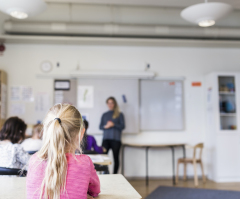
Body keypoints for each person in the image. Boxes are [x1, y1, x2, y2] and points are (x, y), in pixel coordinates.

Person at [27, 104, 100, 199]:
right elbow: (95, 191)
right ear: (81, 134)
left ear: (46, 131)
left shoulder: (34, 160)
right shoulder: (85, 162)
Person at [99, 96, 125, 174]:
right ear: (107, 104)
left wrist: (113, 124)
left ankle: (115, 175)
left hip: (116, 140)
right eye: (109, 103)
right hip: (106, 139)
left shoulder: (120, 114)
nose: (110, 104)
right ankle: (105, 173)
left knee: (116, 158)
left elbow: (122, 126)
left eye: (112, 103)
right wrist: (106, 126)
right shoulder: (104, 115)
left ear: (114, 104)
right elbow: (100, 127)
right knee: (103, 157)